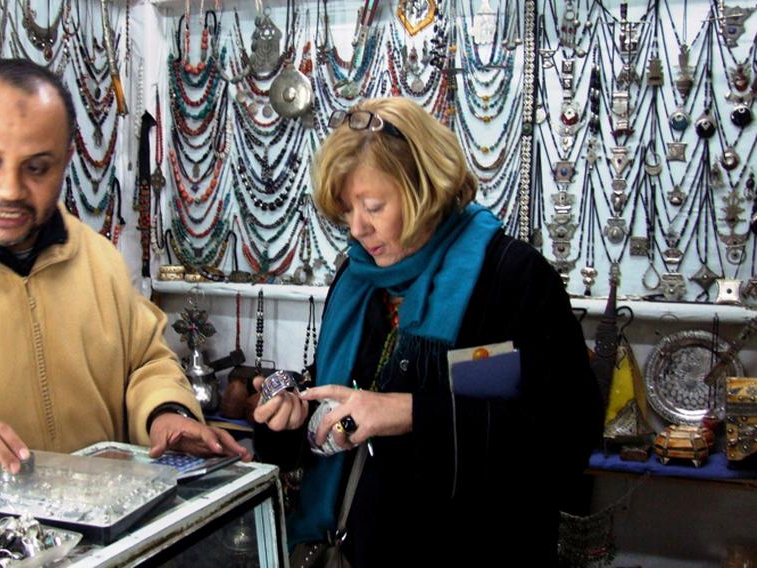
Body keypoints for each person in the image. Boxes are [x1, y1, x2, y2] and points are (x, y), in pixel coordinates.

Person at [0, 58, 248, 532]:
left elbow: (145, 361)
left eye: (37, 167)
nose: (11, 190)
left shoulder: (95, 260)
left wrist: (166, 414)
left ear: (64, 161)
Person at [253, 97, 602, 565]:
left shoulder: (506, 281)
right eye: (346, 210)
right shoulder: (359, 279)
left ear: (426, 189)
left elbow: (562, 436)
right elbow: (350, 393)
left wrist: (410, 411)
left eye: (373, 207)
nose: (357, 228)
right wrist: (294, 413)